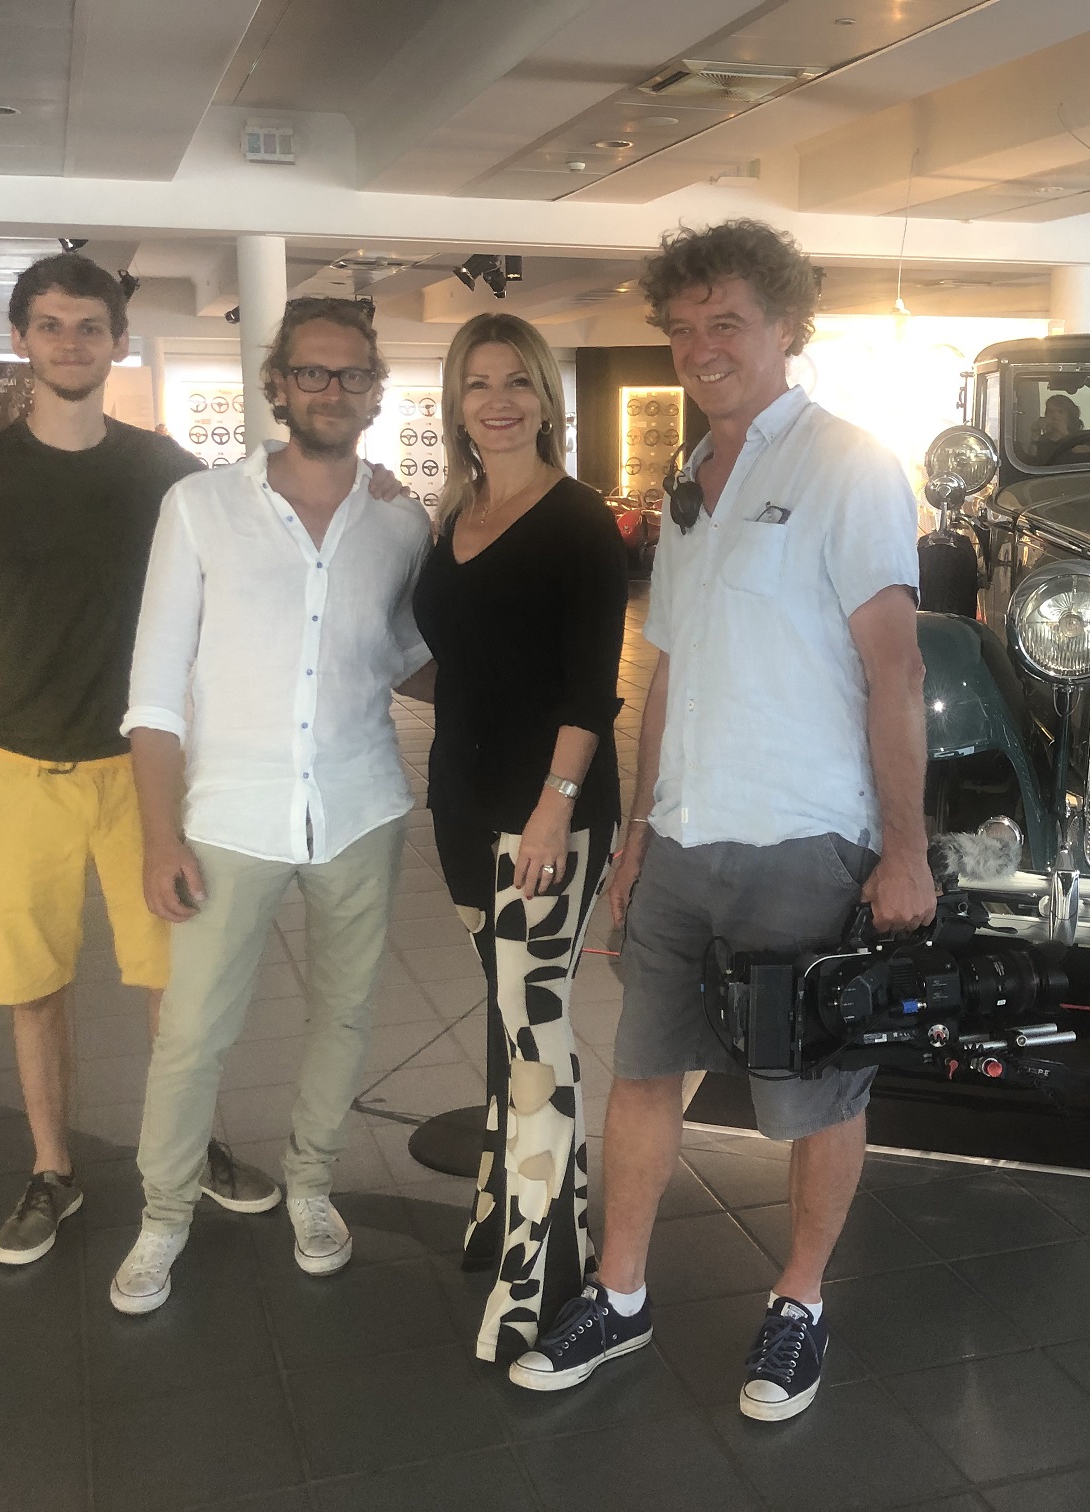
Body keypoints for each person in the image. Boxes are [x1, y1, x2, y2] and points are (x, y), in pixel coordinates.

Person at [507, 220, 939, 1422]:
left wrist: (905, 850)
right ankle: (620, 1293)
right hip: (685, 842)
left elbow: (896, 670)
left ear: (786, 326)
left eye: (728, 322)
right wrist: (640, 831)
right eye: (684, 327)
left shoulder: (848, 463)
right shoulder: (687, 482)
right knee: (647, 1071)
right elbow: (671, 673)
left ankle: (799, 1301)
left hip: (805, 838)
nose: (703, 347)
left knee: (816, 1096)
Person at [0, 253, 279, 1264]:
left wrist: (367, 481)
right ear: (21, 339)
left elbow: (253, 558)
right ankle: (51, 1169)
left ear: (118, 341)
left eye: (89, 327)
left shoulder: (166, 471)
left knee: (174, 983)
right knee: (31, 984)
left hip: (143, 773)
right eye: (51, 325)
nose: (70, 342)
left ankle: (188, 1148)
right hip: (18, 769)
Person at [109, 297, 436, 1312]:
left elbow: (410, 659)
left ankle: (311, 1184)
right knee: (193, 1031)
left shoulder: (402, 521)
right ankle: (164, 1212)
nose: (331, 390)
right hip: (228, 816)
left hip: (359, 805)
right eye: (311, 372)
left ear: (374, 392)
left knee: (344, 1013)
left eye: (351, 374)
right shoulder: (200, 507)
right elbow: (155, 689)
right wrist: (158, 835)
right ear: (278, 385)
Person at [412, 312, 627, 1362]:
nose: (497, 401)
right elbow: (457, 660)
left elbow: (590, 687)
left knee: (536, 1037)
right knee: (507, 1027)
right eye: (477, 383)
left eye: (517, 382)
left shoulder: (579, 522)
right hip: (461, 803)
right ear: (456, 404)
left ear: (547, 398)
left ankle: (540, 1277)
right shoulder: (455, 512)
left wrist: (553, 805)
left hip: (547, 814)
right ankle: (510, 1211)